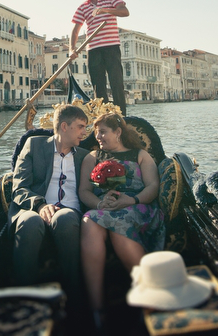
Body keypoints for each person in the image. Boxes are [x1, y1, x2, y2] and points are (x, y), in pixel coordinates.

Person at [79, 113, 165, 323]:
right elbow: (84, 191)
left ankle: (150, 299)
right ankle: (97, 309)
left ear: (118, 132)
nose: (97, 136)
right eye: (96, 132)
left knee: (118, 223)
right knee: (89, 221)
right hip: (105, 208)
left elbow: (153, 187)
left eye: (102, 132)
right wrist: (100, 204)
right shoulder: (92, 157)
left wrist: (132, 200)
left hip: (138, 206)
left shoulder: (141, 155)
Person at [10, 104, 90, 300]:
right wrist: (39, 205)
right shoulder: (34, 145)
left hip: (70, 211)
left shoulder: (85, 156)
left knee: (64, 218)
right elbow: (19, 187)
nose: (84, 132)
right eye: (80, 126)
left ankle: (74, 298)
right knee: (29, 222)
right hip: (33, 208)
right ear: (64, 126)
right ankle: (23, 299)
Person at [70, 0, 129, 114]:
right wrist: (72, 48)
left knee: (117, 83)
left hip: (112, 47)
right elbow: (75, 30)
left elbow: (125, 12)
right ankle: (103, 117)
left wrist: (105, 10)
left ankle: (121, 116)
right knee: (98, 86)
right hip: (94, 49)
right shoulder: (83, 7)